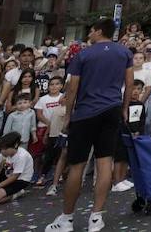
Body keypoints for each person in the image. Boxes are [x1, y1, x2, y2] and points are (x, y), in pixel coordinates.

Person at [45, 17, 134, 232]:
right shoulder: (124, 53)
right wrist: (124, 108)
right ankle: (96, 216)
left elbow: (72, 88)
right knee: (105, 162)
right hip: (111, 110)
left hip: (85, 113)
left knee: (77, 165)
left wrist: (68, 117)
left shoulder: (83, 55)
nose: (89, 35)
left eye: (91, 31)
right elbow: (129, 84)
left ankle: (67, 218)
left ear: (97, 31)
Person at [109, 79, 147, 194]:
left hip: (134, 135)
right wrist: (128, 130)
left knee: (127, 157)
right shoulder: (123, 105)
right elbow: (121, 120)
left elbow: (142, 120)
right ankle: (116, 181)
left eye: (138, 89)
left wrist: (139, 131)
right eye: (133, 89)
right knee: (119, 157)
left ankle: (122, 178)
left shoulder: (140, 105)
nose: (135, 92)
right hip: (122, 134)